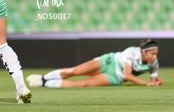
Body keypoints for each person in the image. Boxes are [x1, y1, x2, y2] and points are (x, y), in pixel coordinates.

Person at [27, 39, 163, 88]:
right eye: (152, 53)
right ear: (144, 52)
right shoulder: (131, 53)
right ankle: (44, 77)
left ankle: (43, 83)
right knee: (75, 71)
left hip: (115, 77)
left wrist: (155, 81)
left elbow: (154, 77)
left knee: (82, 84)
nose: (154, 56)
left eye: (156, 53)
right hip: (108, 62)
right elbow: (128, 75)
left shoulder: (154, 62)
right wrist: (147, 84)